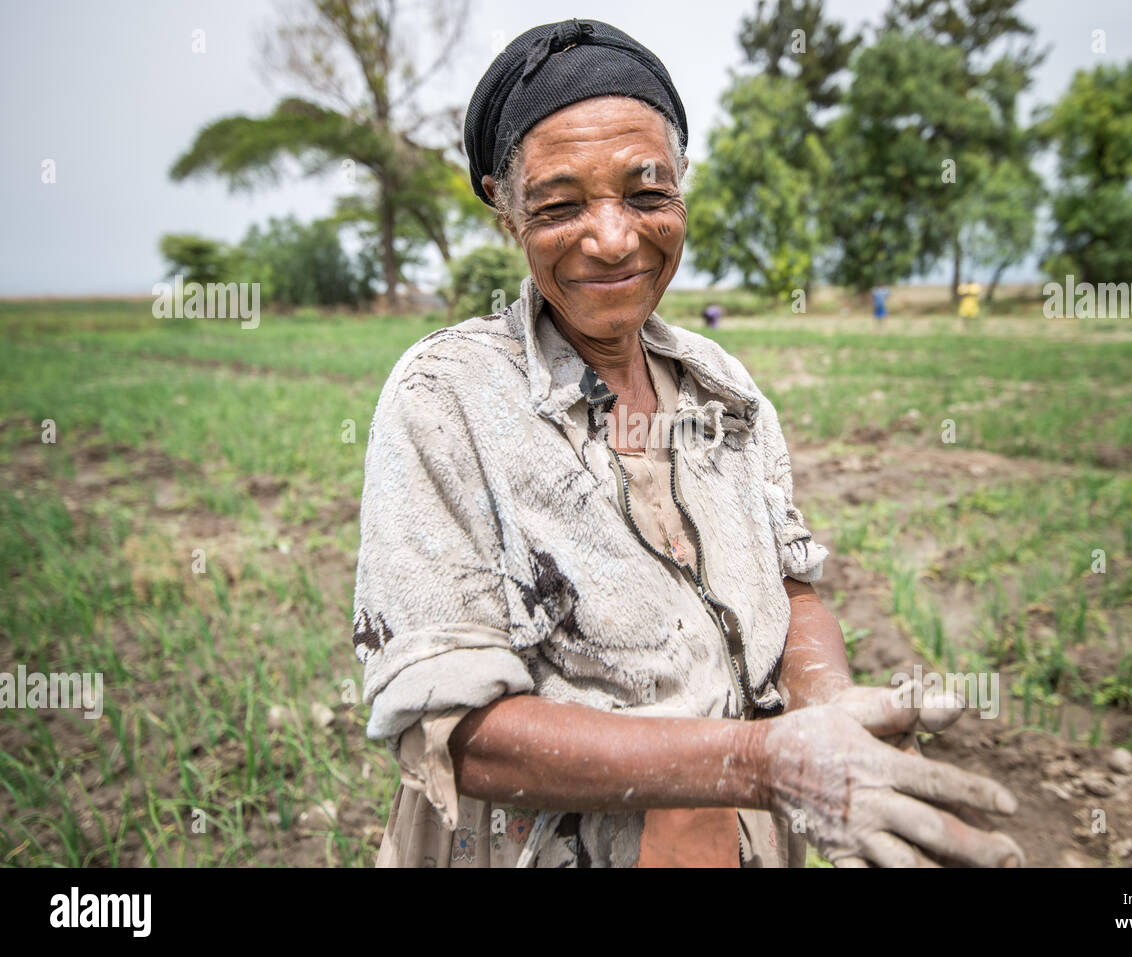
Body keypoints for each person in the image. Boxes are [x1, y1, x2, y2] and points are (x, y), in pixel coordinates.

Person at [351, 18, 1025, 868]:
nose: (611, 237)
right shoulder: (444, 397)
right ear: (507, 213)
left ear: (682, 192)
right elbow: (458, 732)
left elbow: (793, 585)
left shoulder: (725, 390)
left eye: (646, 194)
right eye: (560, 205)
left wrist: (831, 710)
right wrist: (757, 763)